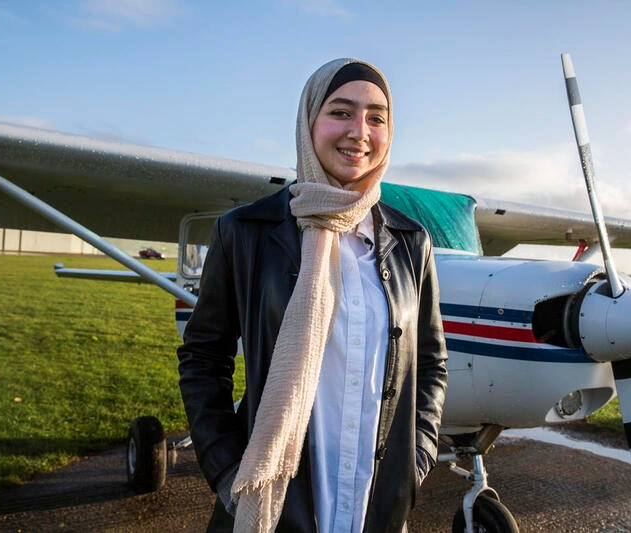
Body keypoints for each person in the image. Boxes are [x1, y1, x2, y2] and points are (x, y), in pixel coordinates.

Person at [177, 58, 448, 533]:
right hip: (273, 507)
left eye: (376, 117)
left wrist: (416, 463)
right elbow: (204, 358)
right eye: (340, 112)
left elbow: (429, 366)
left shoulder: (412, 242)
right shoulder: (244, 232)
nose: (359, 131)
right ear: (309, 122)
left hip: (374, 506)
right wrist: (227, 471)